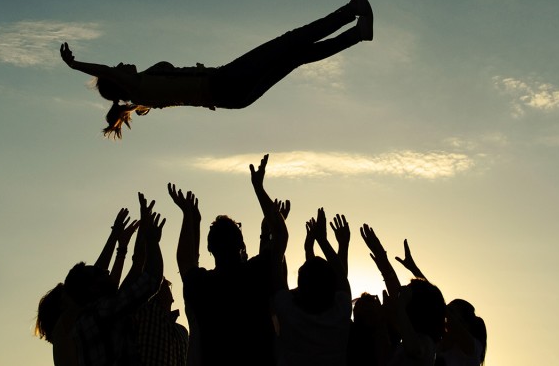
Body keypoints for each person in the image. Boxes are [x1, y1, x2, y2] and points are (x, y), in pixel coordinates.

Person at [60, 0, 373, 138]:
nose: (121, 65)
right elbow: (106, 71)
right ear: (118, 81)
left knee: (294, 56)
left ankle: (358, 33)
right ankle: (351, 10)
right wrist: (75, 65)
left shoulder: (143, 94)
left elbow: (133, 75)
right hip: (225, 82)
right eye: (118, 69)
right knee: (289, 43)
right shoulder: (137, 89)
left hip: (232, 97)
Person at [168, 154, 287, 366]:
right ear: (241, 244)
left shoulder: (204, 284)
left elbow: (185, 260)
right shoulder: (255, 273)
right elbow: (280, 234)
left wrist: (188, 216)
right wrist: (258, 188)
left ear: (210, 248)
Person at [36, 194, 166, 366]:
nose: (106, 273)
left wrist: (121, 245)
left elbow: (109, 278)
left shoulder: (84, 324)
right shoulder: (94, 316)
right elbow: (147, 279)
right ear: (63, 304)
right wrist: (148, 240)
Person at [272, 208, 353, 366]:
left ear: (300, 286)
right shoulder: (340, 313)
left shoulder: (288, 311)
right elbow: (340, 276)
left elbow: (275, 269)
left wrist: (277, 232)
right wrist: (323, 241)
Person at [359, 225, 445, 366]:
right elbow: (395, 289)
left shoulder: (426, 344)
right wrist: (381, 256)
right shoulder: (404, 344)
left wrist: (399, 307)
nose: (403, 291)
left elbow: (414, 349)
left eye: (407, 292)